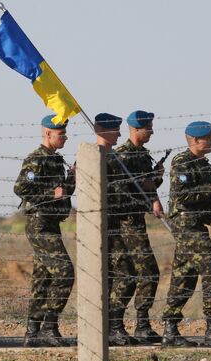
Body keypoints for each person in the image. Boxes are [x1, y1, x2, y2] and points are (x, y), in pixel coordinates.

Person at [161, 121, 211, 347]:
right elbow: (182, 195)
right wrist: (209, 190)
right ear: (195, 140)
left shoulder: (203, 164)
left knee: (184, 276)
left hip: (196, 224)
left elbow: (203, 195)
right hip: (186, 224)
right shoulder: (182, 161)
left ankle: (170, 329)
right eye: (208, 138)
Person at [14, 115, 75, 347]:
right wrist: (50, 195)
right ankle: (49, 327)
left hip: (51, 222)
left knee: (43, 278)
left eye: (65, 133)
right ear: (48, 134)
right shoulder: (37, 158)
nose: (65, 137)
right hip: (39, 224)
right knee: (64, 271)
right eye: (61, 133)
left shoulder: (55, 160)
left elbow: (63, 193)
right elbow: (20, 187)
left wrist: (72, 179)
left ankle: (32, 332)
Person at [115, 110, 164, 343]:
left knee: (144, 272)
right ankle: (117, 324)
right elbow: (120, 193)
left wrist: (155, 181)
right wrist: (145, 187)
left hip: (137, 221)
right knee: (136, 273)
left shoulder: (143, 155)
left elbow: (146, 186)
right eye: (148, 128)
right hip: (125, 222)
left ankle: (142, 324)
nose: (152, 131)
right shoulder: (121, 157)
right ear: (136, 129)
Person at [94, 112, 138, 346]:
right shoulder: (97, 157)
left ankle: (110, 327)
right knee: (127, 275)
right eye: (115, 130)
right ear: (103, 131)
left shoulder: (113, 158)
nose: (120, 134)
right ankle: (112, 326)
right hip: (102, 228)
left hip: (114, 226)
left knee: (113, 278)